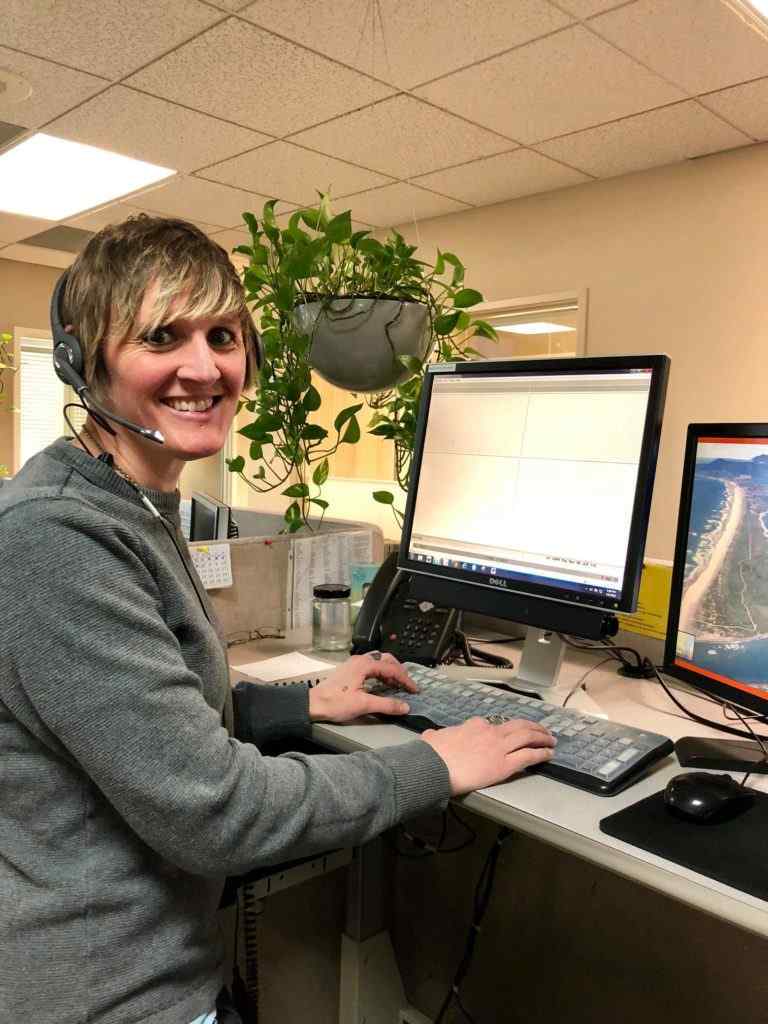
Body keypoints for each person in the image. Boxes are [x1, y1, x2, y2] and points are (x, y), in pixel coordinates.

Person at [0, 215, 555, 1024]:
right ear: (83, 360)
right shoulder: (56, 538)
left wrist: (304, 703)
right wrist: (434, 764)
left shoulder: (133, 507)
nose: (205, 367)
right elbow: (215, 811)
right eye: (162, 336)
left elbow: (146, 724)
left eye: (223, 334)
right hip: (109, 995)